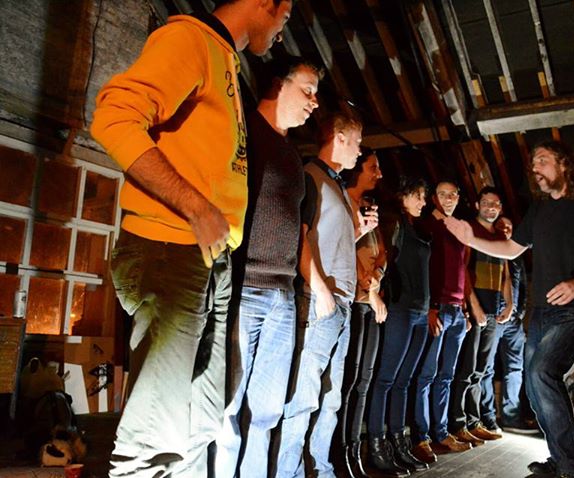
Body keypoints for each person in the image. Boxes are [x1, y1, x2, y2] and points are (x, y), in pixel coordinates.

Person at [90, 1, 292, 475]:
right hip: (170, 248)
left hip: (211, 259)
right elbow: (113, 118)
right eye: (286, 17)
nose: (283, 32)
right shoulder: (188, 40)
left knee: (202, 421)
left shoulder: (226, 61)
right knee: (154, 435)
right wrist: (196, 207)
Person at [445, 140, 574, 478]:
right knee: (535, 385)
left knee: (542, 372)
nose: (535, 168)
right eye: (533, 163)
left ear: (565, 163)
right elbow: (512, 249)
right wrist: (470, 239)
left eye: (542, 160)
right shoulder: (539, 210)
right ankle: (560, 459)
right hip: (540, 312)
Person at [214, 57, 322, 478]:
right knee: (227, 408)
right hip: (245, 290)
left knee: (265, 413)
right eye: (308, 90)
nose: (314, 102)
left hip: (282, 296)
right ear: (279, 84)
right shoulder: (244, 134)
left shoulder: (292, 155)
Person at [276, 112, 375, 478]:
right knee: (304, 396)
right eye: (357, 142)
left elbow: (331, 241)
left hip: (342, 303)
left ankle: (320, 469)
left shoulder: (337, 185)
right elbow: (300, 236)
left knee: (330, 399)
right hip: (322, 302)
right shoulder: (311, 176)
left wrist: (359, 232)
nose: (360, 150)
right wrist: (320, 292)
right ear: (339, 136)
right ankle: (290, 472)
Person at [366, 176, 430, 476]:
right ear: (403, 195)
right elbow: (383, 259)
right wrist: (375, 291)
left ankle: (399, 443)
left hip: (420, 311)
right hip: (400, 308)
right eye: (418, 196)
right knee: (386, 379)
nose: (423, 202)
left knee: (404, 381)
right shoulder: (394, 223)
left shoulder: (416, 227)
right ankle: (377, 446)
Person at [411, 181, 472, 464]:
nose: (448, 199)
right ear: (434, 198)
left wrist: (466, 310)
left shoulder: (459, 228)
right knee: (427, 374)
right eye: (443, 194)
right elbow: (427, 269)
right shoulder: (427, 227)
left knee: (447, 375)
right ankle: (421, 437)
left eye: (453, 194)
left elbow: (462, 270)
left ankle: (442, 432)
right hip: (437, 308)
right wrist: (431, 307)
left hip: (458, 311)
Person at [336, 150, 388, 478]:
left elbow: (382, 254)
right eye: (373, 167)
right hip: (354, 302)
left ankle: (355, 451)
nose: (379, 174)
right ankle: (339, 452)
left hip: (371, 302)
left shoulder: (369, 209)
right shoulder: (343, 206)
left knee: (364, 380)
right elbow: (343, 250)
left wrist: (377, 281)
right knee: (348, 381)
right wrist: (370, 291)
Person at [448, 187, 510, 443]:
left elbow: (506, 273)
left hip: (495, 311)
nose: (490, 207)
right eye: (485, 202)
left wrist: (509, 304)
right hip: (476, 310)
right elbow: (462, 269)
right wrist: (474, 307)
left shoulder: (501, 236)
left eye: (495, 203)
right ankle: (457, 423)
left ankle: (474, 422)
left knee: (482, 371)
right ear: (477, 205)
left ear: (500, 207)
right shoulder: (471, 231)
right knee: (466, 369)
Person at [477, 216, 534, 434]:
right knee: (487, 367)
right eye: (501, 226)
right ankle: (488, 416)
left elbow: (523, 285)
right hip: (494, 314)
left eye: (509, 226)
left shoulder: (517, 256)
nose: (505, 229)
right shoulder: (488, 250)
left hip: (514, 320)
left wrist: (519, 312)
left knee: (516, 368)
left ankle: (511, 416)